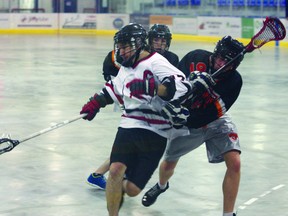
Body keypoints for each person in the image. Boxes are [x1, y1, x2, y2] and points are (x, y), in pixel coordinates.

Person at [80, 23, 191, 216]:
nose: (121, 51)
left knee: (132, 189)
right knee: (115, 171)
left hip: (156, 129)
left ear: (139, 43)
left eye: (125, 47)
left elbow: (183, 86)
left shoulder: (156, 62)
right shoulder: (126, 66)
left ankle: (127, 183)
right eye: (119, 47)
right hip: (130, 122)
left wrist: (154, 88)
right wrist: (96, 102)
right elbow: (115, 89)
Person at [141, 35, 245, 216]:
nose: (220, 64)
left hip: (214, 122)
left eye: (226, 62)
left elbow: (216, 112)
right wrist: (190, 85)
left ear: (234, 65)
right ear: (215, 53)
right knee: (168, 164)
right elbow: (173, 85)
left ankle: (228, 213)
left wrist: (188, 118)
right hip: (186, 122)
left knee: (235, 163)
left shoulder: (235, 81)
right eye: (219, 58)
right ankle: (161, 185)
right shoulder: (195, 57)